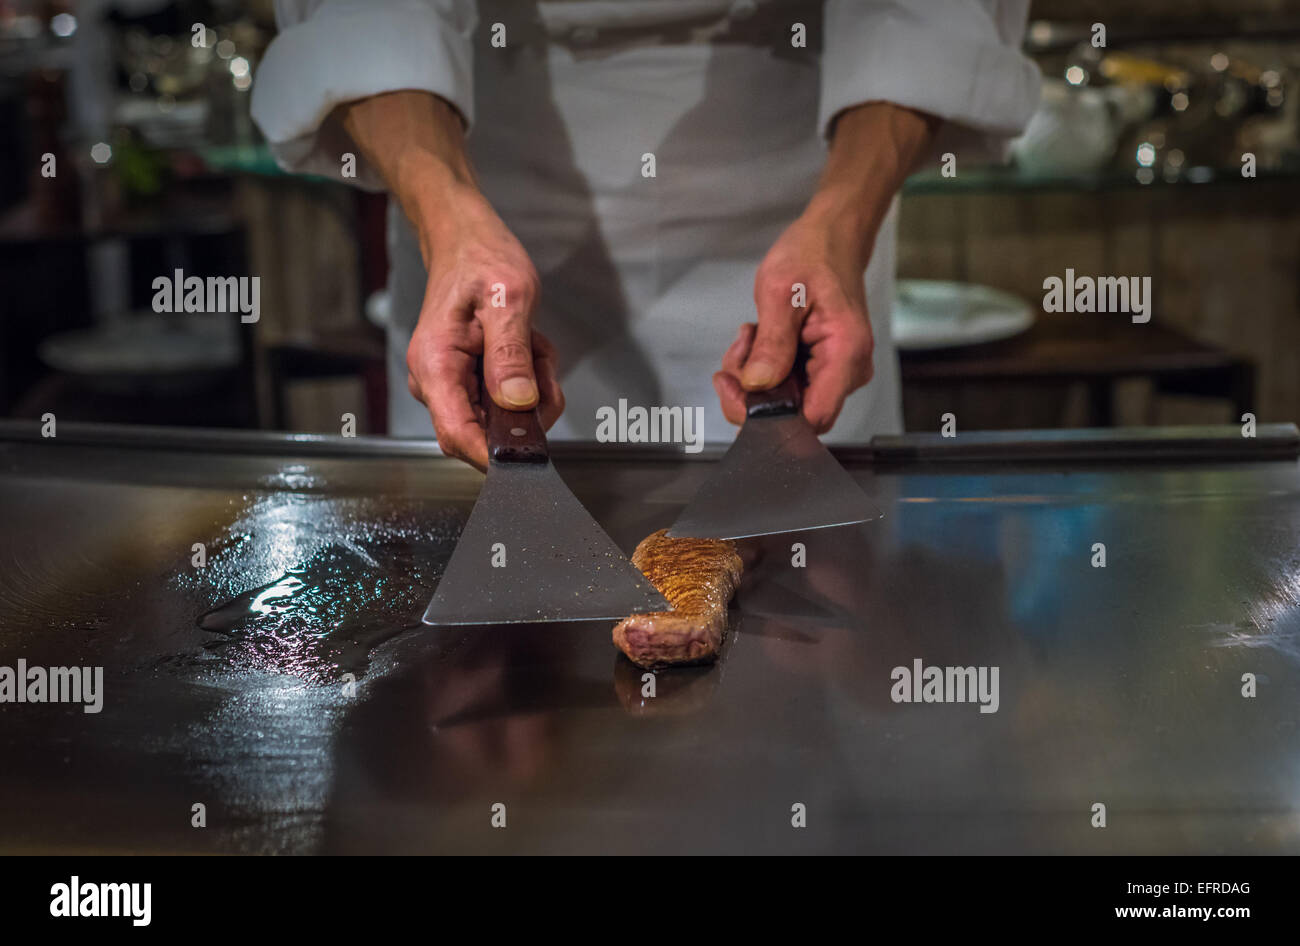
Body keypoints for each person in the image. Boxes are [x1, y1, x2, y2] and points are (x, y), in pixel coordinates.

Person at [252, 0, 1040, 469]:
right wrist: (446, 211)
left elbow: (924, 14)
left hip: (805, 174)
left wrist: (843, 220)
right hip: (478, 167)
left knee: (805, 632)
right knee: (485, 661)